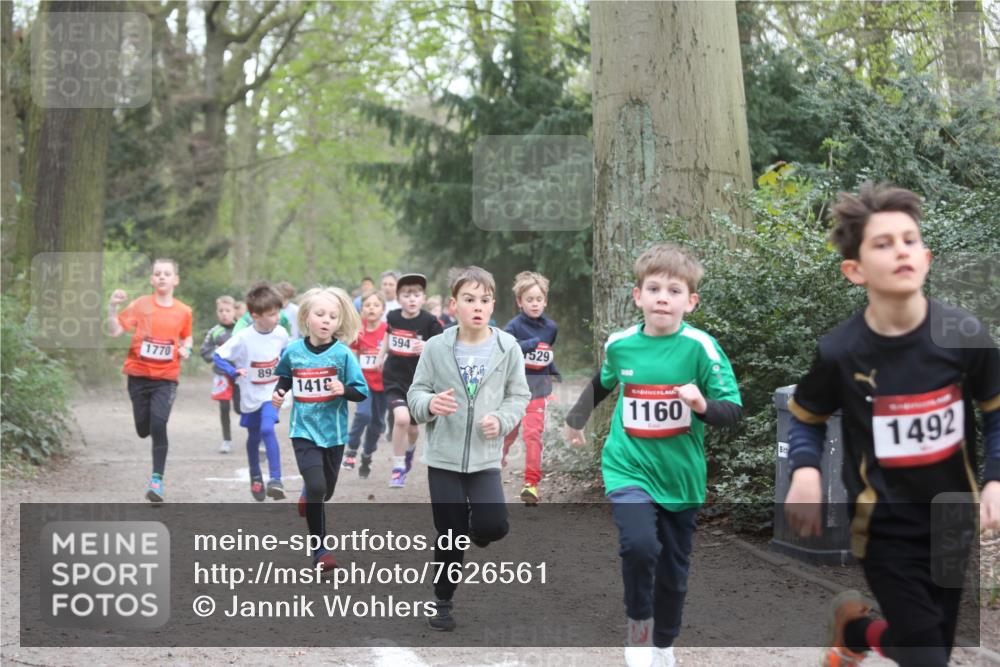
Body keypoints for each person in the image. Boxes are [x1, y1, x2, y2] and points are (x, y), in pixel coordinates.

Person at [782, 182, 1000, 667]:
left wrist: (995, 481)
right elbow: (806, 419)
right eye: (883, 243)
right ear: (854, 270)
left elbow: (996, 412)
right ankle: (860, 630)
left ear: (926, 256)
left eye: (909, 239)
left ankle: (856, 630)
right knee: (927, 658)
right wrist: (804, 472)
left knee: (926, 644)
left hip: (950, 521)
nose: (900, 250)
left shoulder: (964, 335)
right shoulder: (840, 351)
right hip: (883, 527)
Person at [563, 244, 742, 667]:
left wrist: (701, 405)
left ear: (690, 301)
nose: (663, 297)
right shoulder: (622, 344)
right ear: (637, 295)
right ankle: (638, 633)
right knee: (640, 546)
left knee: (674, 572)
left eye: (674, 290)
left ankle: (663, 643)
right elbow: (604, 382)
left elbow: (732, 411)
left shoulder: (702, 348)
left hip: (680, 476)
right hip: (628, 464)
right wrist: (575, 420)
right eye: (654, 288)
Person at [408, 265, 530, 631]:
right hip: (443, 457)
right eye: (469, 299)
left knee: (494, 525)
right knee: (449, 532)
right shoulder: (436, 346)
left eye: (485, 300)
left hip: (485, 457)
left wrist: (503, 420)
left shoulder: (507, 346)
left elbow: (518, 395)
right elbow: (416, 393)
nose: (478, 306)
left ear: (493, 305)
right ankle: (443, 600)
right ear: (454, 305)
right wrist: (430, 405)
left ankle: (479, 531)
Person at [273, 286, 368, 572]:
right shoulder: (293, 351)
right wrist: (279, 393)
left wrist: (343, 389)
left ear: (340, 322)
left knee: (324, 491)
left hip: (334, 434)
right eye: (320, 314)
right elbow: (285, 377)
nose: (327, 320)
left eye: (333, 316)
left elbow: (360, 391)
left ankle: (308, 496)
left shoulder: (343, 355)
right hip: (303, 431)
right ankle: (320, 551)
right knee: (317, 486)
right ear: (306, 317)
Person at [107, 258, 194, 503]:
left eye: (167, 273)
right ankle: (146, 434)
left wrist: (187, 349)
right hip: (138, 376)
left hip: (166, 379)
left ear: (176, 279)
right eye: (158, 274)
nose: (162, 277)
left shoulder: (184, 311)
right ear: (152, 279)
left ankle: (157, 480)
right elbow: (115, 331)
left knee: (159, 424)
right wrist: (112, 307)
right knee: (143, 429)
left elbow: (187, 338)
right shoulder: (140, 305)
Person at [214, 282, 290, 501]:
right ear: (255, 315)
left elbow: (285, 352)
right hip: (250, 395)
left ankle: (276, 480)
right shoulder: (243, 338)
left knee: (268, 428)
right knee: (254, 436)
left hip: (272, 393)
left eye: (278, 312)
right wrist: (233, 371)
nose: (277, 318)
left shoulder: (281, 333)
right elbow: (219, 356)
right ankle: (255, 475)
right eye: (272, 314)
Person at [377, 273, 443, 487]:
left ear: (423, 298)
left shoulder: (430, 321)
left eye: (416, 295)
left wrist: (428, 346)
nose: (412, 299)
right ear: (398, 298)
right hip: (394, 378)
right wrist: (381, 354)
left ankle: (409, 451)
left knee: (413, 429)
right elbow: (388, 334)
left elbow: (443, 345)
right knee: (402, 420)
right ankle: (397, 468)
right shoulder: (393, 317)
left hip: (419, 383)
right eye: (407, 295)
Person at [502, 271, 562, 504]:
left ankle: (531, 484)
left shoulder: (551, 327)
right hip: (514, 391)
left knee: (532, 435)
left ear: (545, 301)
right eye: (529, 299)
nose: (535, 303)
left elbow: (545, 351)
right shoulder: (513, 326)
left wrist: (553, 369)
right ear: (520, 302)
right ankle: (494, 465)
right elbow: (508, 348)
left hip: (538, 390)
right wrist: (530, 343)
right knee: (508, 434)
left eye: (539, 299)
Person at [344, 289, 388, 477]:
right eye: (367, 305)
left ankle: (367, 455)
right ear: (362, 309)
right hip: (365, 383)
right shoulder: (359, 330)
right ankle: (352, 448)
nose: (371, 308)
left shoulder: (387, 329)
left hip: (385, 384)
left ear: (383, 309)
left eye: (376, 305)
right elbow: (351, 351)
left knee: (377, 424)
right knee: (363, 414)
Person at [199, 295, 237, 453]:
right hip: (222, 375)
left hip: (241, 374)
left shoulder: (242, 329)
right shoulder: (214, 332)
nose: (224, 314)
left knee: (243, 408)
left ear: (234, 311)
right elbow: (204, 351)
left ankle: (256, 435)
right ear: (217, 313)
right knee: (224, 407)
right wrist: (218, 354)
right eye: (221, 311)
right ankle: (226, 440)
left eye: (228, 310)